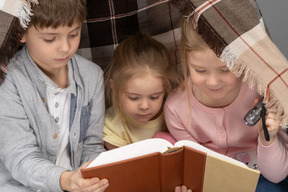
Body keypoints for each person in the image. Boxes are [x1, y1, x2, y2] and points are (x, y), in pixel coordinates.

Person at [161, 2, 288, 192]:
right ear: (185, 59)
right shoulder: (176, 108)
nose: (213, 82)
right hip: (213, 181)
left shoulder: (261, 89)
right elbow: (196, 171)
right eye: (200, 70)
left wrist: (266, 138)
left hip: (262, 175)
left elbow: (277, 176)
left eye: (225, 70)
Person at [0, 0, 109, 191]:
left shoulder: (92, 76)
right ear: (21, 33)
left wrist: (91, 179)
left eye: (74, 34)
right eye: (50, 39)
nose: (65, 47)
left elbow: (92, 145)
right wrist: (66, 180)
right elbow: (20, 157)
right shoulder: (8, 81)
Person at [103, 32, 181, 150]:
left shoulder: (175, 112)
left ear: (165, 88)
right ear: (114, 87)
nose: (144, 106)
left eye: (154, 97)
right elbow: (123, 167)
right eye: (133, 97)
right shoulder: (111, 127)